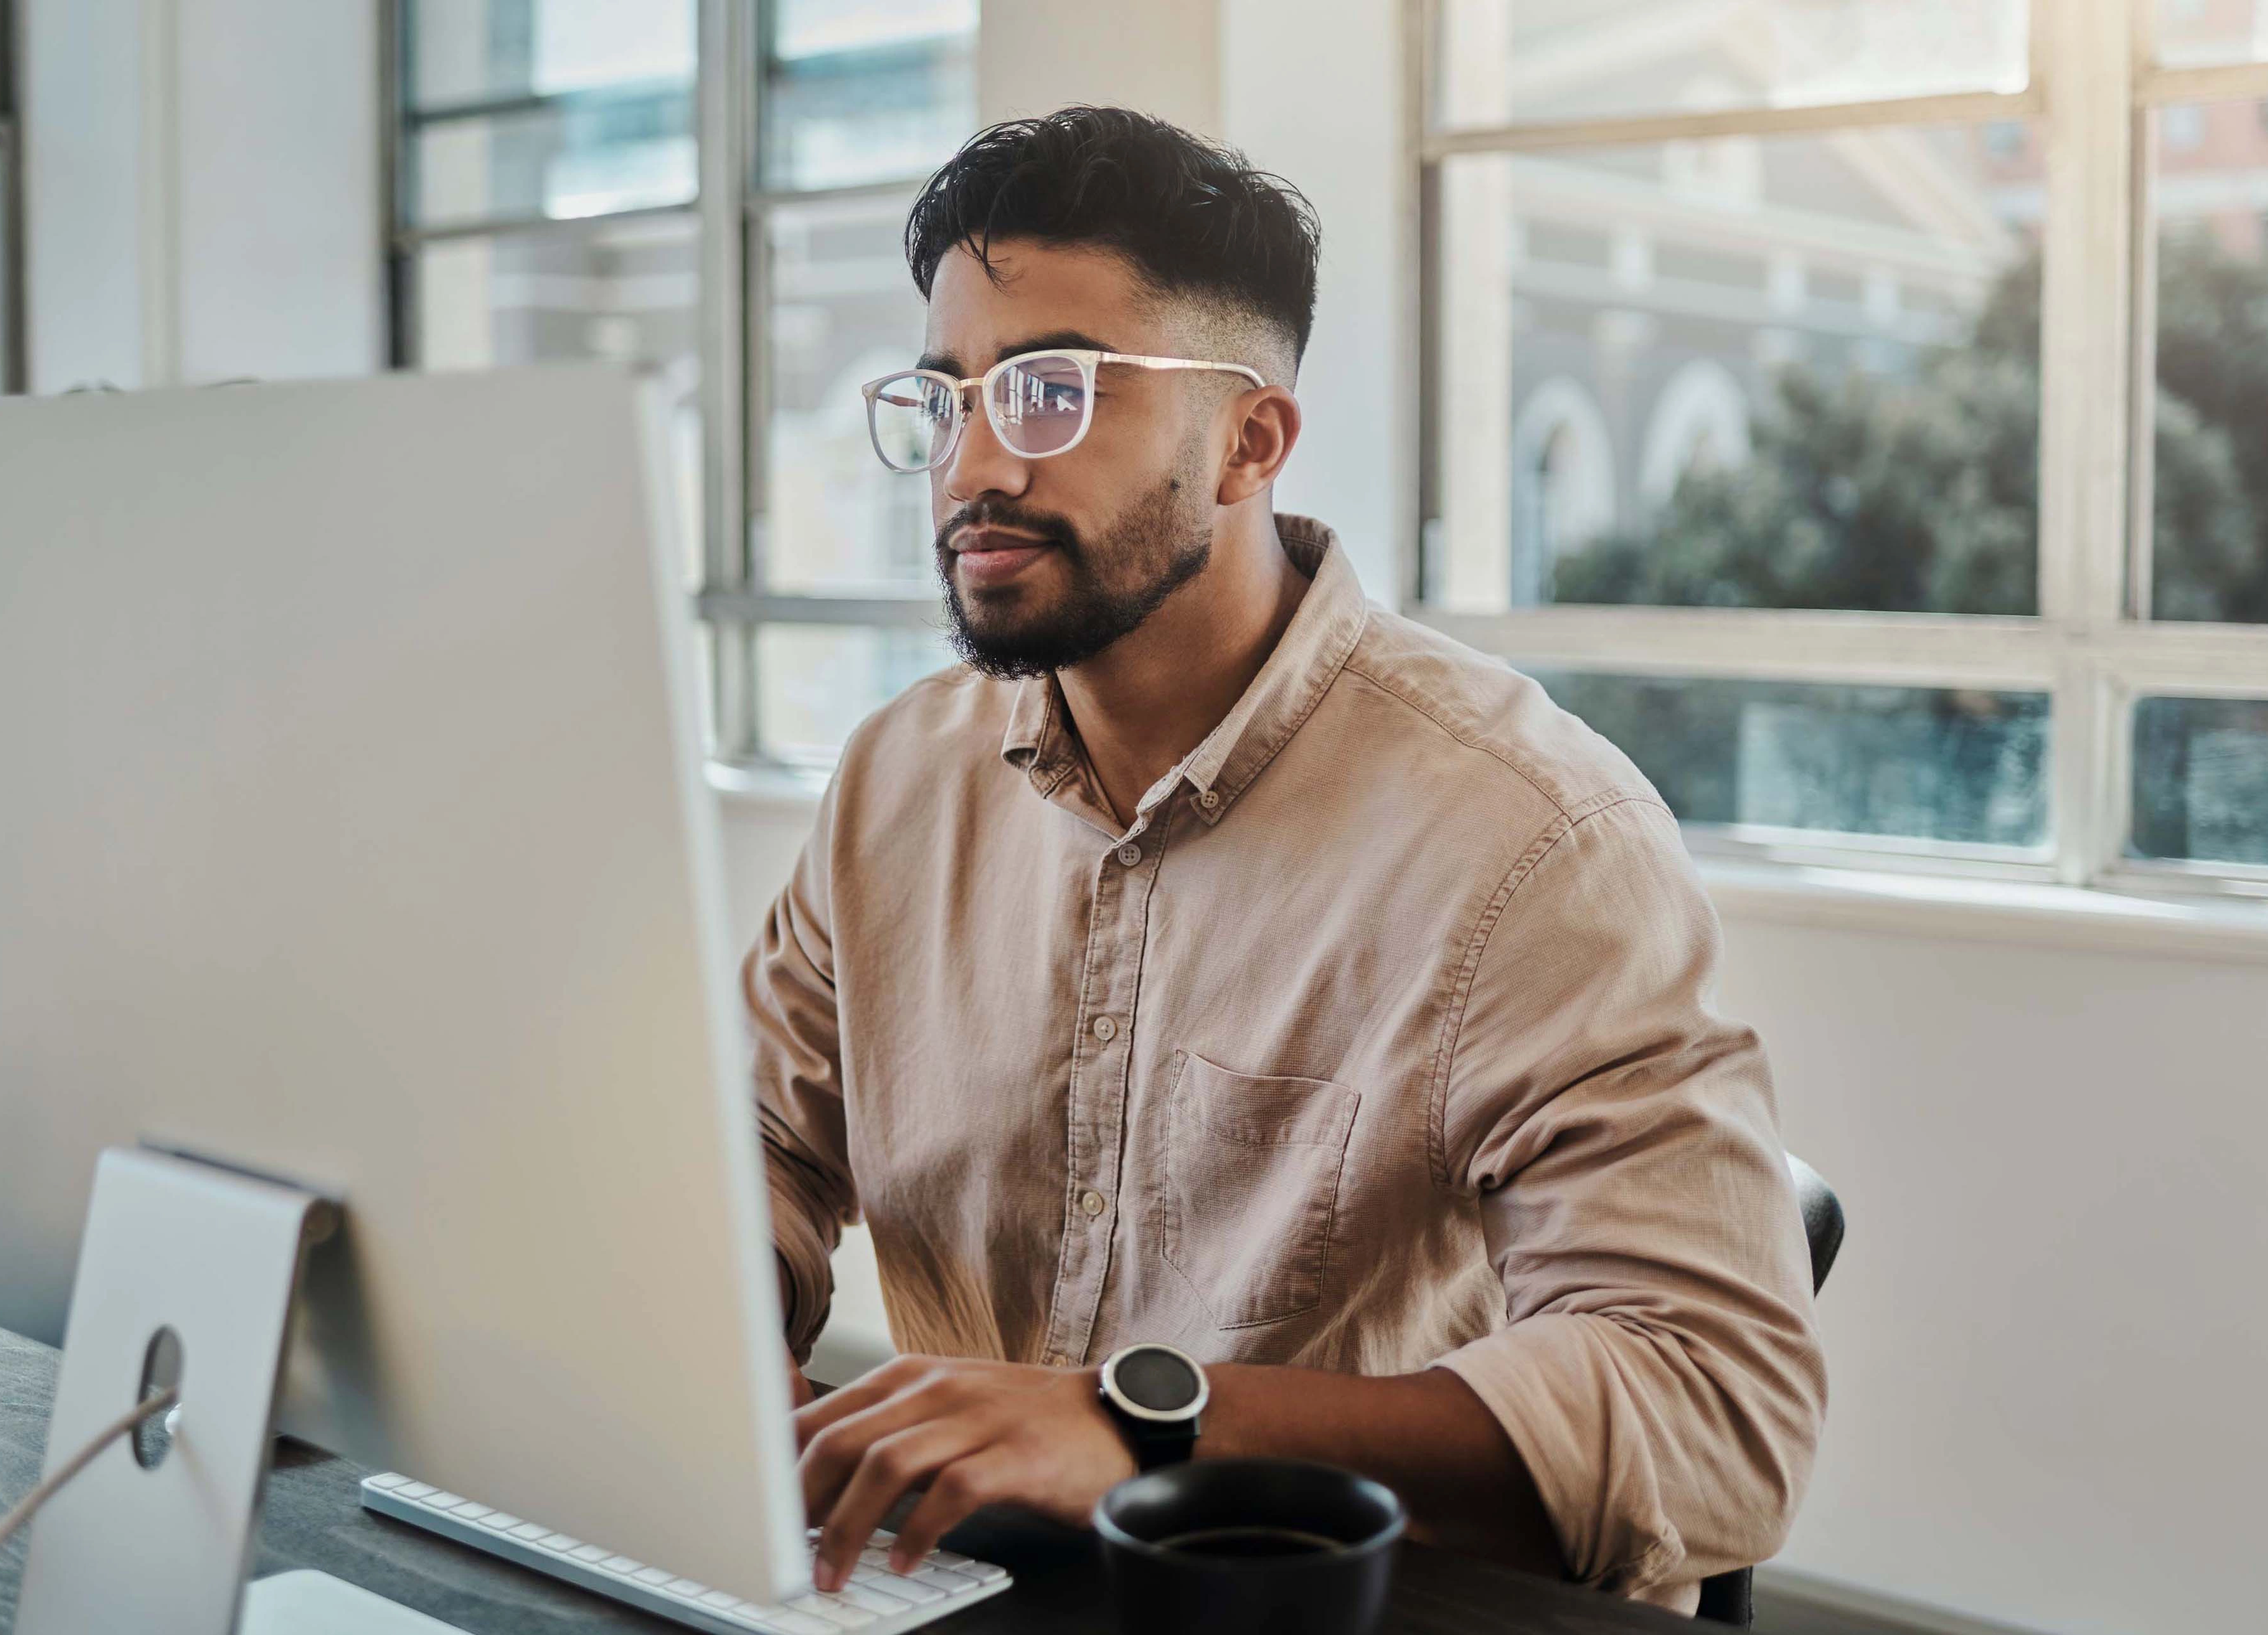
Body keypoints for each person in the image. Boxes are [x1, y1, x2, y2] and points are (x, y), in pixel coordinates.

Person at [748, 105, 1825, 1617]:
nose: (972, 466)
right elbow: (759, 1148)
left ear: (1251, 440)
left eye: (1052, 391)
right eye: (949, 396)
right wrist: (708, 1352)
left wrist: (1140, 1425)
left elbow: (1717, 1409)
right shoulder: (892, 784)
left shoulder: (1535, 840)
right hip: (957, 1592)